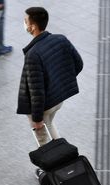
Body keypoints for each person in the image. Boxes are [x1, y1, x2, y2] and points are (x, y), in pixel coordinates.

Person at [16, 7, 83, 156]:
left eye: (26, 21)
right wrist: (59, 82)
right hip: (58, 100)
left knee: (43, 139)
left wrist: (37, 119)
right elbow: (79, 64)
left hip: (43, 106)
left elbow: (36, 91)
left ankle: (52, 168)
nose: (24, 23)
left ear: (32, 26)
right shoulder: (61, 39)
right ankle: (65, 157)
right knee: (50, 123)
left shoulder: (33, 54)